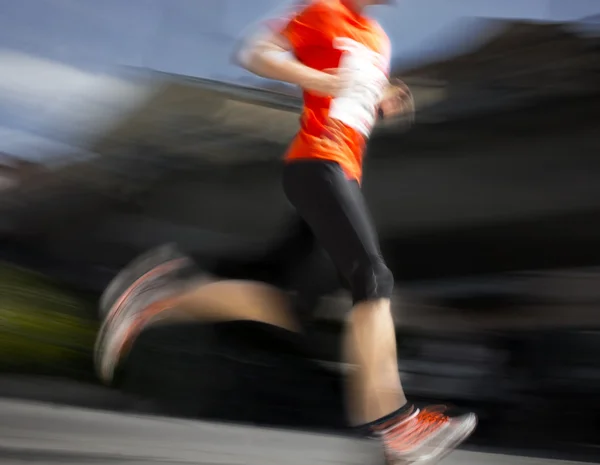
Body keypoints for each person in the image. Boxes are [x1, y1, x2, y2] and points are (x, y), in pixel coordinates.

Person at [95, 0, 477, 463]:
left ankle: (158, 295)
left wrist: (383, 96)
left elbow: (354, 92)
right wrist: (316, 78)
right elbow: (255, 53)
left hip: (343, 171)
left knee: (290, 306)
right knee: (372, 279)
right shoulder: (322, 11)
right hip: (317, 163)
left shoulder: (378, 38)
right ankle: (396, 424)